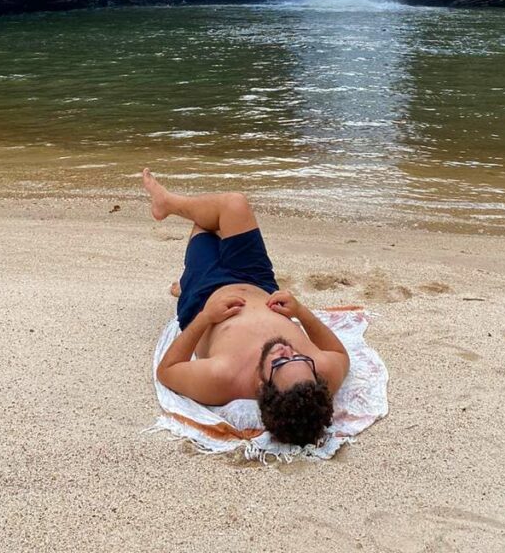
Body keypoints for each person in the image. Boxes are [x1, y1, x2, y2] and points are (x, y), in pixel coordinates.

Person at [143, 169, 350, 447]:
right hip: (258, 281)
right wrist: (300, 312)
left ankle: (184, 280)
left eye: (279, 362)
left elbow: (167, 370)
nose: (286, 350)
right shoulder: (317, 376)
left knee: (205, 226)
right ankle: (167, 203)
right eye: (300, 358)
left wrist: (206, 317)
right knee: (233, 204)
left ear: (264, 388)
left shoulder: (223, 378)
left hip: (205, 293)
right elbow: (338, 353)